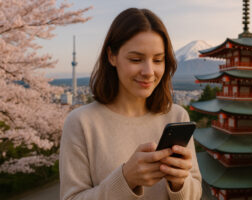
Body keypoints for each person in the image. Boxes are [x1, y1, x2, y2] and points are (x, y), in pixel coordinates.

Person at [59, 8, 202, 200]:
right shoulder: (81, 123)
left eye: (158, 60)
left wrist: (179, 182)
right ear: (112, 56)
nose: (149, 71)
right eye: (136, 59)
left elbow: (195, 192)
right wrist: (126, 180)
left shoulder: (177, 116)